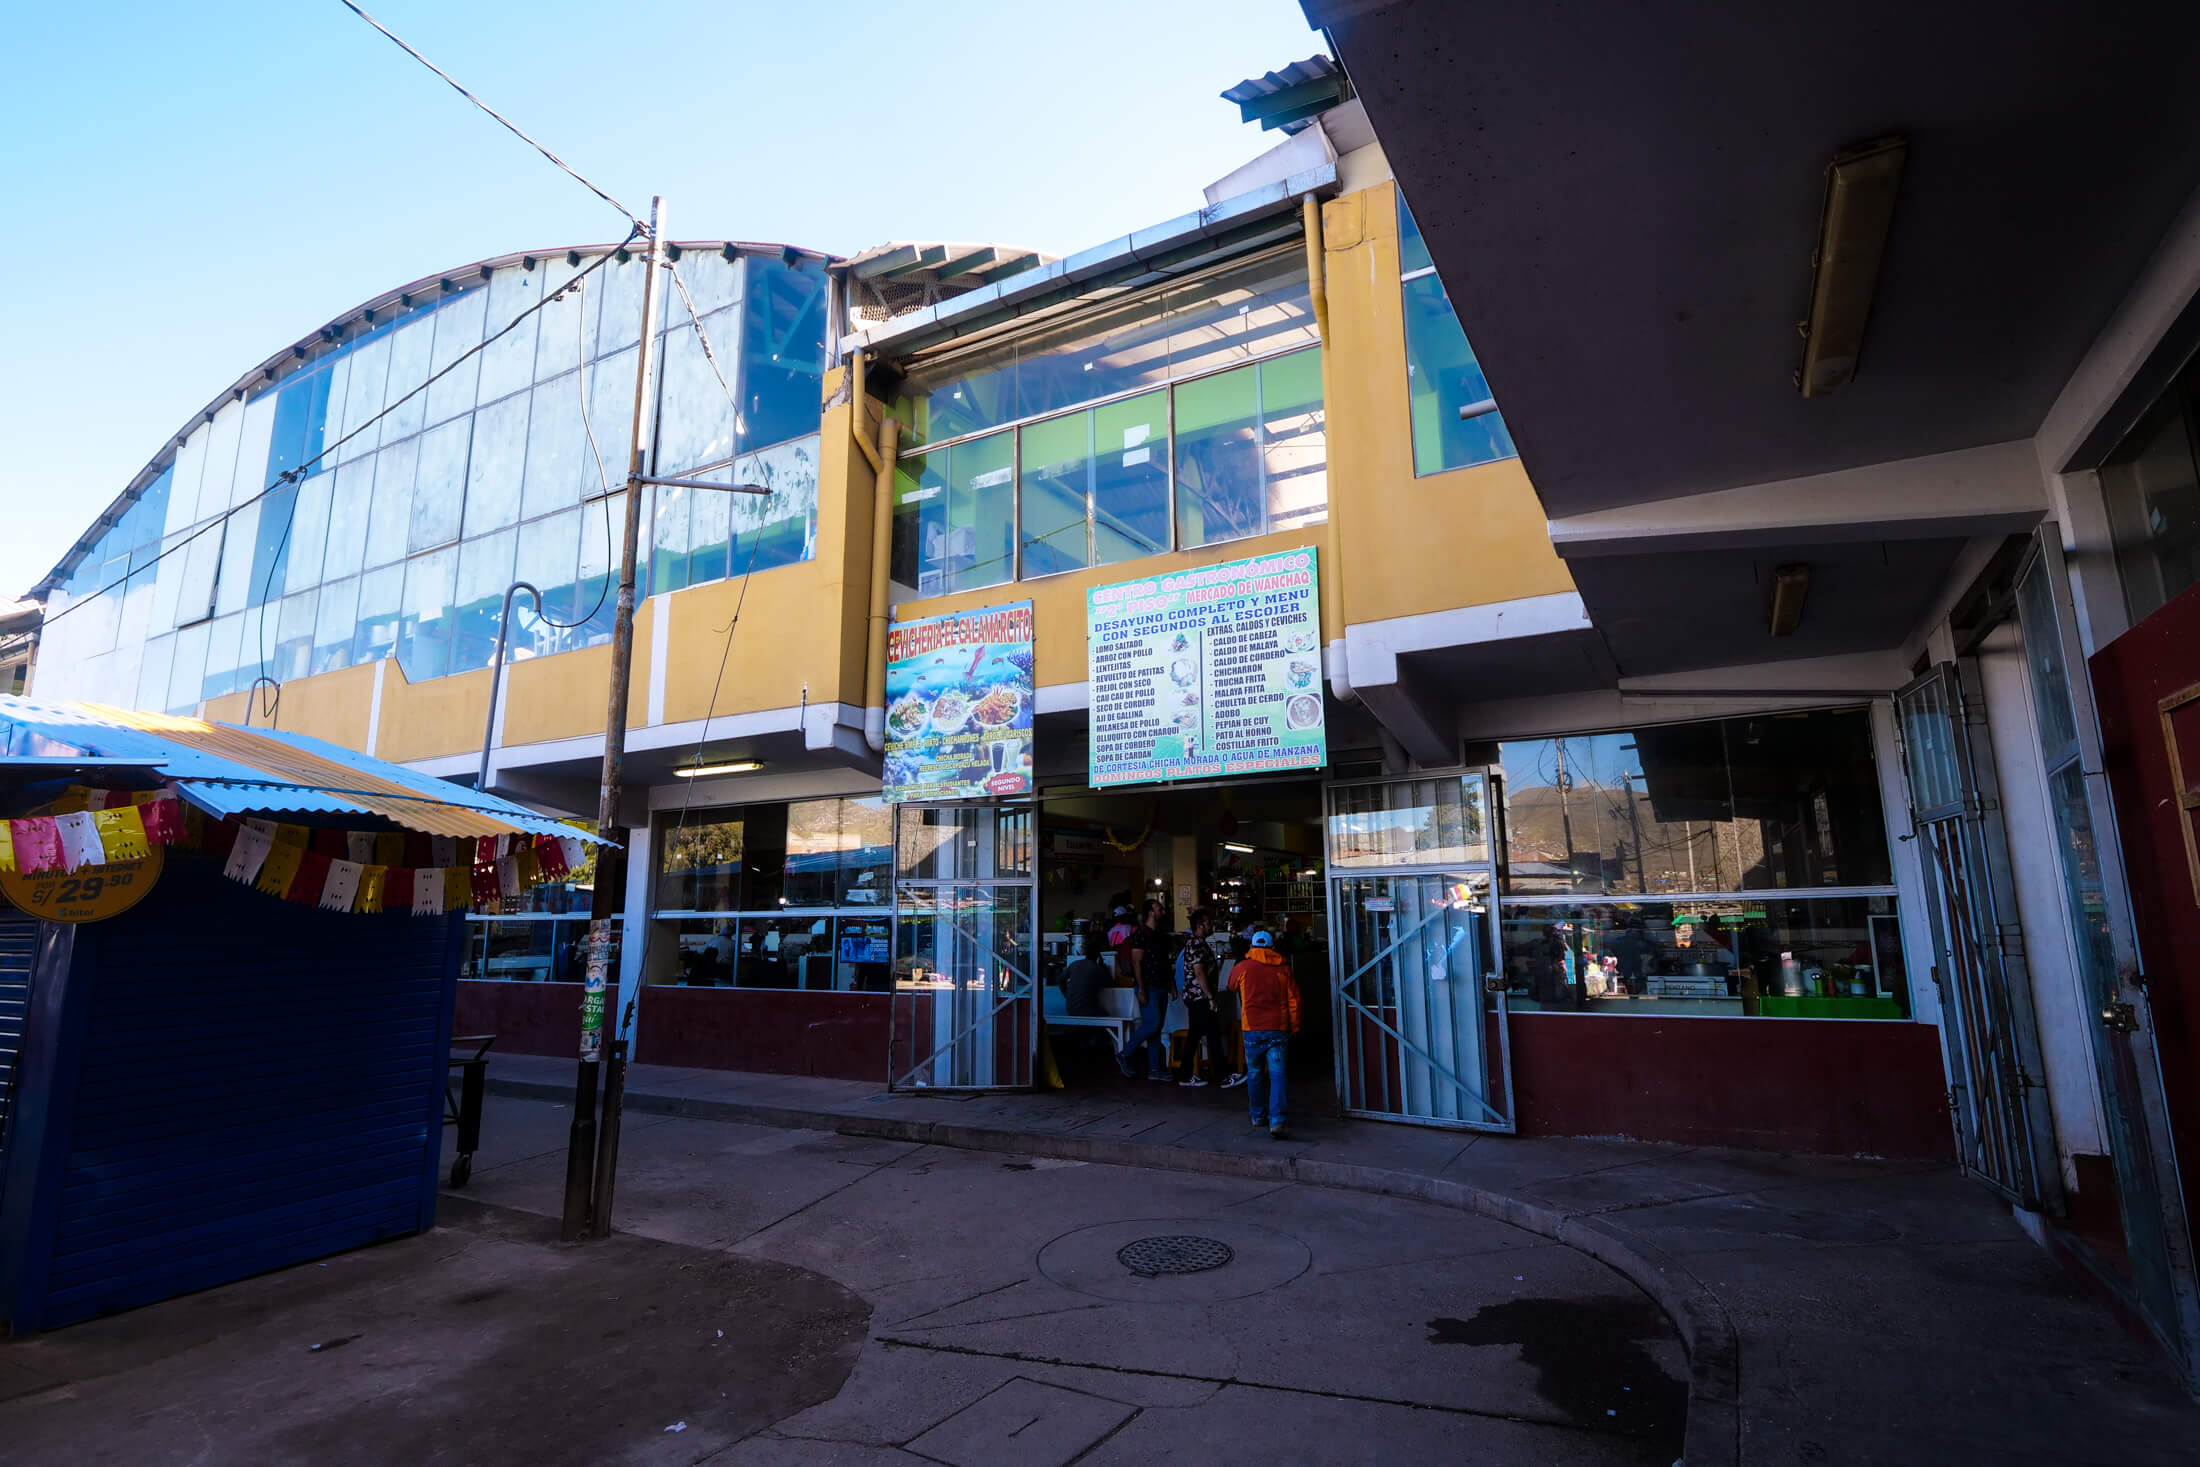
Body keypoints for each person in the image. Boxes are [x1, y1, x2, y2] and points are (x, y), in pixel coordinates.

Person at [1230, 927, 1301, 1139]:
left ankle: (1258, 1116)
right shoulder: (1284, 969)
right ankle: (1277, 1121)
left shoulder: (1243, 967)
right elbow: (1294, 1001)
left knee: (1254, 1073)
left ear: (1251, 946)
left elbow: (1231, 985)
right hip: (1278, 1029)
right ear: (1272, 947)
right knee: (1278, 1075)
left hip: (1251, 1029)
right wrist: (1294, 1026)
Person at [1173, 909, 1233, 1087]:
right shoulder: (1197, 945)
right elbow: (1199, 972)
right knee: (1213, 1034)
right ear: (1199, 926)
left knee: (1195, 1035)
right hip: (1199, 997)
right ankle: (1223, 1075)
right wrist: (1210, 996)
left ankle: (1185, 1073)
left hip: (1194, 996)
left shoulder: (1195, 943)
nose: (1211, 925)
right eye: (1208, 923)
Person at [1116, 899, 1174, 1080]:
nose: (1162, 911)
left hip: (1160, 984)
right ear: (1151, 912)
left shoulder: (1161, 935)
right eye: (1158, 908)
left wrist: (1171, 984)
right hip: (1148, 985)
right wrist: (1141, 988)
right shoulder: (1141, 934)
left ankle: (1154, 1069)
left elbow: (1165, 962)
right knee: (1153, 1024)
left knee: (1155, 1028)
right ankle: (1125, 1053)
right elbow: (1136, 962)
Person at [1060, 931, 1108, 1017]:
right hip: (1088, 1011)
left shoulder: (1074, 964)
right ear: (1098, 957)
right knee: (1106, 1014)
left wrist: (1066, 994)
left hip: (1070, 1010)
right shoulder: (1097, 968)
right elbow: (1109, 984)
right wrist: (1104, 967)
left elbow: (1060, 980)